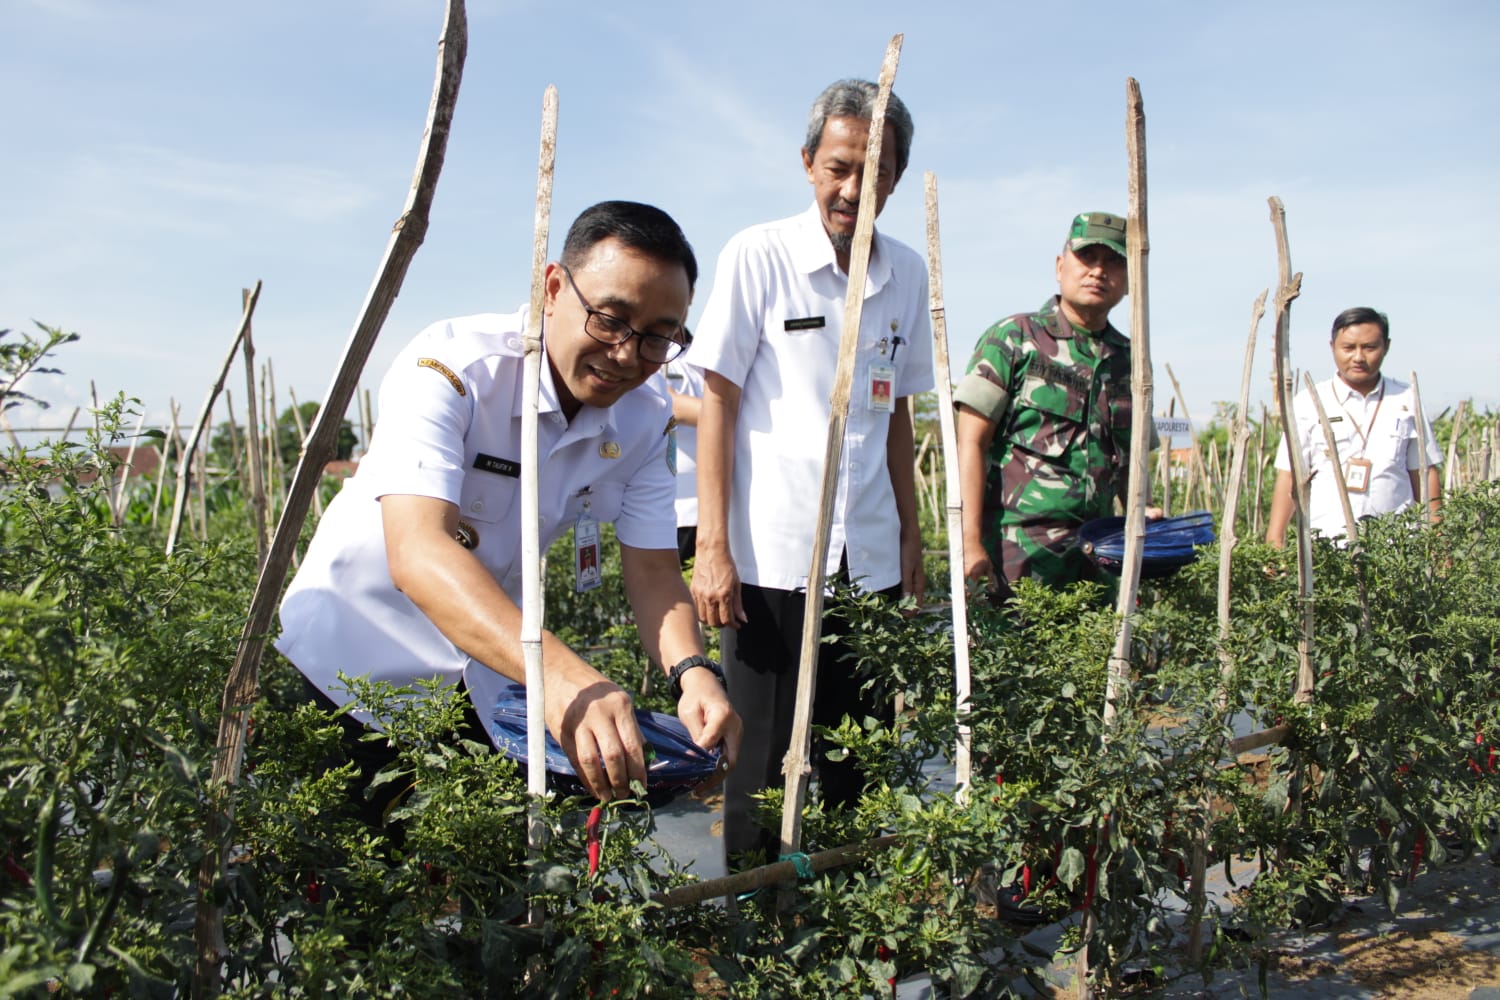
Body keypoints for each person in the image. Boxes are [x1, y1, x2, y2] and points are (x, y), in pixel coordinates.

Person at [276, 201, 741, 824]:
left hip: (481, 672)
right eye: (610, 320)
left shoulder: (645, 413)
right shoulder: (453, 369)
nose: (628, 355)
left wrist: (694, 673)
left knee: (477, 867)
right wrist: (564, 677)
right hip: (348, 668)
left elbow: (655, 570)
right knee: (349, 868)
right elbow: (418, 551)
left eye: (659, 336)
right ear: (554, 288)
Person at [688, 79, 933, 869]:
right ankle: (756, 921)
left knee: (858, 755)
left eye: (875, 172)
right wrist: (712, 547)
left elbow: (897, 413)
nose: (854, 189)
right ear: (807, 163)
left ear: (896, 178)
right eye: (839, 168)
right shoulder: (759, 255)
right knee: (758, 762)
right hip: (770, 560)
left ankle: (847, 912)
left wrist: (911, 537)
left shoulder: (906, 273)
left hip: (868, 562)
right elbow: (717, 400)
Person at [954, 212, 1151, 601]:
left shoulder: (1132, 361)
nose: (1098, 271)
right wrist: (969, 542)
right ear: (1060, 267)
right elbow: (970, 443)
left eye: (1113, 261)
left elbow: (1133, 463)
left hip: (1097, 562)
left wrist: (1144, 520)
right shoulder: (1014, 339)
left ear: (1129, 281)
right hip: (1016, 560)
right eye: (1087, 257)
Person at [1266, 306, 1442, 547]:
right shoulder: (1308, 403)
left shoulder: (1406, 399)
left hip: (1397, 549)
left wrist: (1439, 542)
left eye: (1369, 347)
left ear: (1386, 347)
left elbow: (1424, 472)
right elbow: (1289, 476)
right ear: (1332, 347)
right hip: (1328, 547)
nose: (1358, 357)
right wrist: (1275, 541)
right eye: (1348, 348)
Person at [655, 357, 705, 567]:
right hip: (676, 513)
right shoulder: (656, 356)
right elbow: (669, 404)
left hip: (718, 513)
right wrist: (732, 411)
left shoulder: (704, 358)